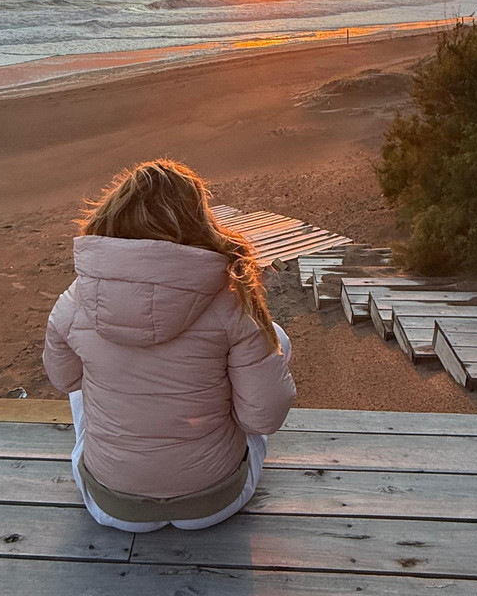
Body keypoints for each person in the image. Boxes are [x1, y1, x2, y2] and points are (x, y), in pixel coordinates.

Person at [42, 159, 296, 532]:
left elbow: (64, 380)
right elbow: (263, 420)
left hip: (113, 503)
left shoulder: (75, 300)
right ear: (198, 220)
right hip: (213, 500)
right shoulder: (230, 300)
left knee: (82, 383)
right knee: (272, 338)